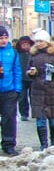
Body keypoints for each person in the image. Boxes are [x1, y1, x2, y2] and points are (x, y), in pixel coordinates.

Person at [25, 28, 54, 150]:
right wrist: (31, 73)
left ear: (47, 42)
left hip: (53, 91)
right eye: (37, 41)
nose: (38, 43)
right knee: (40, 120)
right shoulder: (33, 55)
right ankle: (43, 144)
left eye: (41, 41)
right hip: (37, 91)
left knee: (53, 119)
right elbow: (28, 70)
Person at [0, 26, 23, 155]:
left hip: (9, 91)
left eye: (5, 38)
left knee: (9, 119)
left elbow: (17, 71)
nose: (3, 40)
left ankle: (8, 144)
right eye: (1, 38)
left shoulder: (13, 52)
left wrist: (17, 89)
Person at [16, 35, 32, 121]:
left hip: (33, 78)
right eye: (23, 44)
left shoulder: (34, 53)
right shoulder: (17, 54)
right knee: (22, 97)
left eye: (27, 44)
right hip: (21, 79)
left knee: (34, 97)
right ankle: (24, 114)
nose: (25, 46)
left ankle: (36, 113)